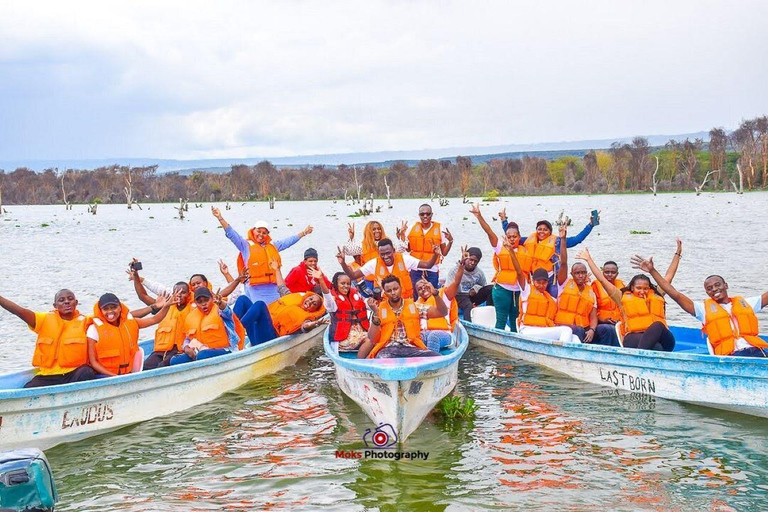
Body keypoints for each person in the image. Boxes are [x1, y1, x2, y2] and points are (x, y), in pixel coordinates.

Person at [631, 256, 768, 357]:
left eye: (717, 285)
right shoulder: (703, 310)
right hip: (733, 356)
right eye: (709, 288)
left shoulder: (747, 303)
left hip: (757, 351)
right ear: (707, 292)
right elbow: (675, 294)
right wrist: (652, 270)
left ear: (726, 285)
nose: (714, 289)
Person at [577, 242, 682, 351]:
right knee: (657, 347)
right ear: (632, 288)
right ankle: (638, 356)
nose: (642, 291)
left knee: (658, 326)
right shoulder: (621, 297)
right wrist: (589, 260)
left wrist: (678, 253)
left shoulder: (656, 294)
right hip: (634, 337)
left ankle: (639, 355)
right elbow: (602, 280)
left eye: (645, 288)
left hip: (660, 337)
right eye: (639, 288)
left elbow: (669, 277)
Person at [211, 206, 312, 304]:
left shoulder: (273, 245)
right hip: (254, 288)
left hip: (273, 287)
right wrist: (220, 218)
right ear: (253, 230)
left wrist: (303, 233)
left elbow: (288, 241)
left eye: (264, 233)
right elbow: (231, 234)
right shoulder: (245, 245)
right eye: (258, 231)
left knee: (277, 310)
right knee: (260, 308)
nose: (261, 234)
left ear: (267, 234)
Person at [0, 289, 98, 388]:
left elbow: (108, 316)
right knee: (28, 388)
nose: (66, 302)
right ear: (55, 305)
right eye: (61, 300)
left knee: (86, 372)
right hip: (48, 376)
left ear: (76, 303)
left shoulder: (86, 322)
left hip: (74, 373)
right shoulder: (44, 320)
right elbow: (20, 312)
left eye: (70, 299)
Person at [500, 209, 598, 295]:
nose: (542, 232)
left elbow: (576, 239)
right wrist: (504, 220)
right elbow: (512, 235)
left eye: (545, 230)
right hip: (537, 279)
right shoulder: (528, 241)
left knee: (554, 300)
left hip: (552, 279)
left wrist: (590, 225)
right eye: (539, 229)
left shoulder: (557, 242)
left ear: (550, 232)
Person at [233, 260, 327, 346]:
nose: (310, 302)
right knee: (243, 299)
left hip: (269, 338)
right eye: (310, 299)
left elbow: (305, 327)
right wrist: (277, 270)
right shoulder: (293, 299)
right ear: (306, 297)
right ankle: (229, 328)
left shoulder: (307, 317)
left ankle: (235, 332)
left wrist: (316, 324)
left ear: (315, 310)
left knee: (260, 305)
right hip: (258, 333)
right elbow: (282, 287)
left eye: (314, 304)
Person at [469, 203, 531, 331]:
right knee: (501, 319)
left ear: (519, 237)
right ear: (505, 238)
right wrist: (479, 216)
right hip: (502, 290)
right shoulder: (499, 248)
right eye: (509, 237)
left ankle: (515, 343)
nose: (512, 239)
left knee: (515, 320)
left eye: (515, 237)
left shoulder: (526, 250)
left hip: (518, 291)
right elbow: (489, 232)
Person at [553, 224, 618, 346]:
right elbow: (563, 264)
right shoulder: (564, 283)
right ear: (572, 274)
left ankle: (605, 353)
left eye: (583, 273)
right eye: (577, 273)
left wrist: (592, 330)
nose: (581, 276)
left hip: (585, 327)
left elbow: (593, 316)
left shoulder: (590, 291)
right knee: (578, 330)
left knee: (606, 329)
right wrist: (563, 239)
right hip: (564, 326)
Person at [357, 275, 448, 359]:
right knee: (381, 358)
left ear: (401, 288)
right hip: (389, 350)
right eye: (389, 291)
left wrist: (435, 294)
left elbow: (442, 312)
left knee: (435, 358)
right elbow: (372, 338)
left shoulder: (415, 306)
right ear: (385, 293)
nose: (393, 293)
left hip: (412, 348)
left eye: (395, 289)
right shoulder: (379, 309)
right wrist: (376, 313)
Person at [87, 292, 174, 376]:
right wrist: (113, 376)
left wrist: (166, 306)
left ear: (120, 308)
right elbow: (93, 362)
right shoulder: (93, 330)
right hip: (104, 375)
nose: (110, 311)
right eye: (106, 309)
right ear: (101, 311)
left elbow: (155, 319)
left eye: (113, 307)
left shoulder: (131, 322)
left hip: (127, 372)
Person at [506, 245, 579, 343]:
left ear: (547, 282)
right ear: (533, 281)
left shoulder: (550, 299)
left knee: (575, 338)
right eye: (538, 282)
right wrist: (511, 251)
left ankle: (573, 357)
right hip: (528, 330)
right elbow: (519, 272)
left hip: (543, 330)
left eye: (544, 282)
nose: (541, 285)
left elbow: (563, 265)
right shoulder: (526, 290)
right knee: (566, 330)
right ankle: (560, 355)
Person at [337, 238, 440, 300]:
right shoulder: (374, 264)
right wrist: (343, 263)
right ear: (378, 253)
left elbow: (427, 265)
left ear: (394, 251)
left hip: (405, 301)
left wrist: (435, 254)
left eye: (388, 253)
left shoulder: (404, 259)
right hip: (385, 303)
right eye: (382, 254)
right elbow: (353, 275)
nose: (385, 257)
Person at [171, 287, 243, 365]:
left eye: (206, 300)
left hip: (226, 350)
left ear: (212, 299)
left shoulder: (219, 310)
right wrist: (186, 347)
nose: (203, 304)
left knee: (202, 355)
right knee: (175, 360)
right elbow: (188, 338)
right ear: (195, 303)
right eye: (200, 302)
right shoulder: (191, 316)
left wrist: (220, 303)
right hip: (201, 351)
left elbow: (227, 312)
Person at [140, 282, 193, 369]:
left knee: (163, 366)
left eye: (183, 292)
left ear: (189, 294)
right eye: (176, 292)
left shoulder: (194, 308)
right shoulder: (165, 308)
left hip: (179, 350)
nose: (179, 295)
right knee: (145, 367)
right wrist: (137, 278)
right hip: (161, 350)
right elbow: (143, 296)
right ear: (172, 294)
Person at [414, 257, 462, 352]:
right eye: (419, 289)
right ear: (417, 293)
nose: (423, 289)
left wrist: (461, 267)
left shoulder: (443, 294)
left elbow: (456, 283)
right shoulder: (416, 304)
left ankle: (432, 362)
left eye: (425, 286)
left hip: (444, 334)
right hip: (424, 333)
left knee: (434, 336)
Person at [406, 204, 453, 292]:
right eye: (422, 214)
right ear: (419, 215)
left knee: (432, 293)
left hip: (432, 269)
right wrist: (401, 237)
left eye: (428, 214)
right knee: (416, 294)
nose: (425, 216)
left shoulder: (440, 228)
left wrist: (450, 241)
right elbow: (408, 249)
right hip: (416, 268)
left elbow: (444, 253)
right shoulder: (411, 227)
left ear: (432, 214)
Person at [320, 270, 370, 351]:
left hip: (360, 332)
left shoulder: (356, 294)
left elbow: (368, 305)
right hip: (344, 339)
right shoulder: (333, 301)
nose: (346, 286)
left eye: (348, 284)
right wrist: (321, 280)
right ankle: (362, 358)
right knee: (370, 340)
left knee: (377, 337)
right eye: (342, 283)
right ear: (336, 284)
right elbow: (327, 296)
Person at [444, 247, 493, 321]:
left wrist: (475, 288)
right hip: (459, 296)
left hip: (471, 295)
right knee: (468, 305)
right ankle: (469, 325)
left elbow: (483, 286)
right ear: (466, 258)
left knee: (491, 289)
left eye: (475, 261)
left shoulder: (479, 273)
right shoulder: (454, 271)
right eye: (471, 260)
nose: (472, 263)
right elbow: (448, 289)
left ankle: (490, 315)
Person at [592, 261, 624, 325]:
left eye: (613, 272)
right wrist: (602, 320)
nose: (610, 274)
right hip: (602, 321)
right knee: (607, 328)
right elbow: (592, 308)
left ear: (617, 274)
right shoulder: (595, 286)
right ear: (602, 273)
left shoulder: (622, 285)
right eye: (607, 272)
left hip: (619, 321)